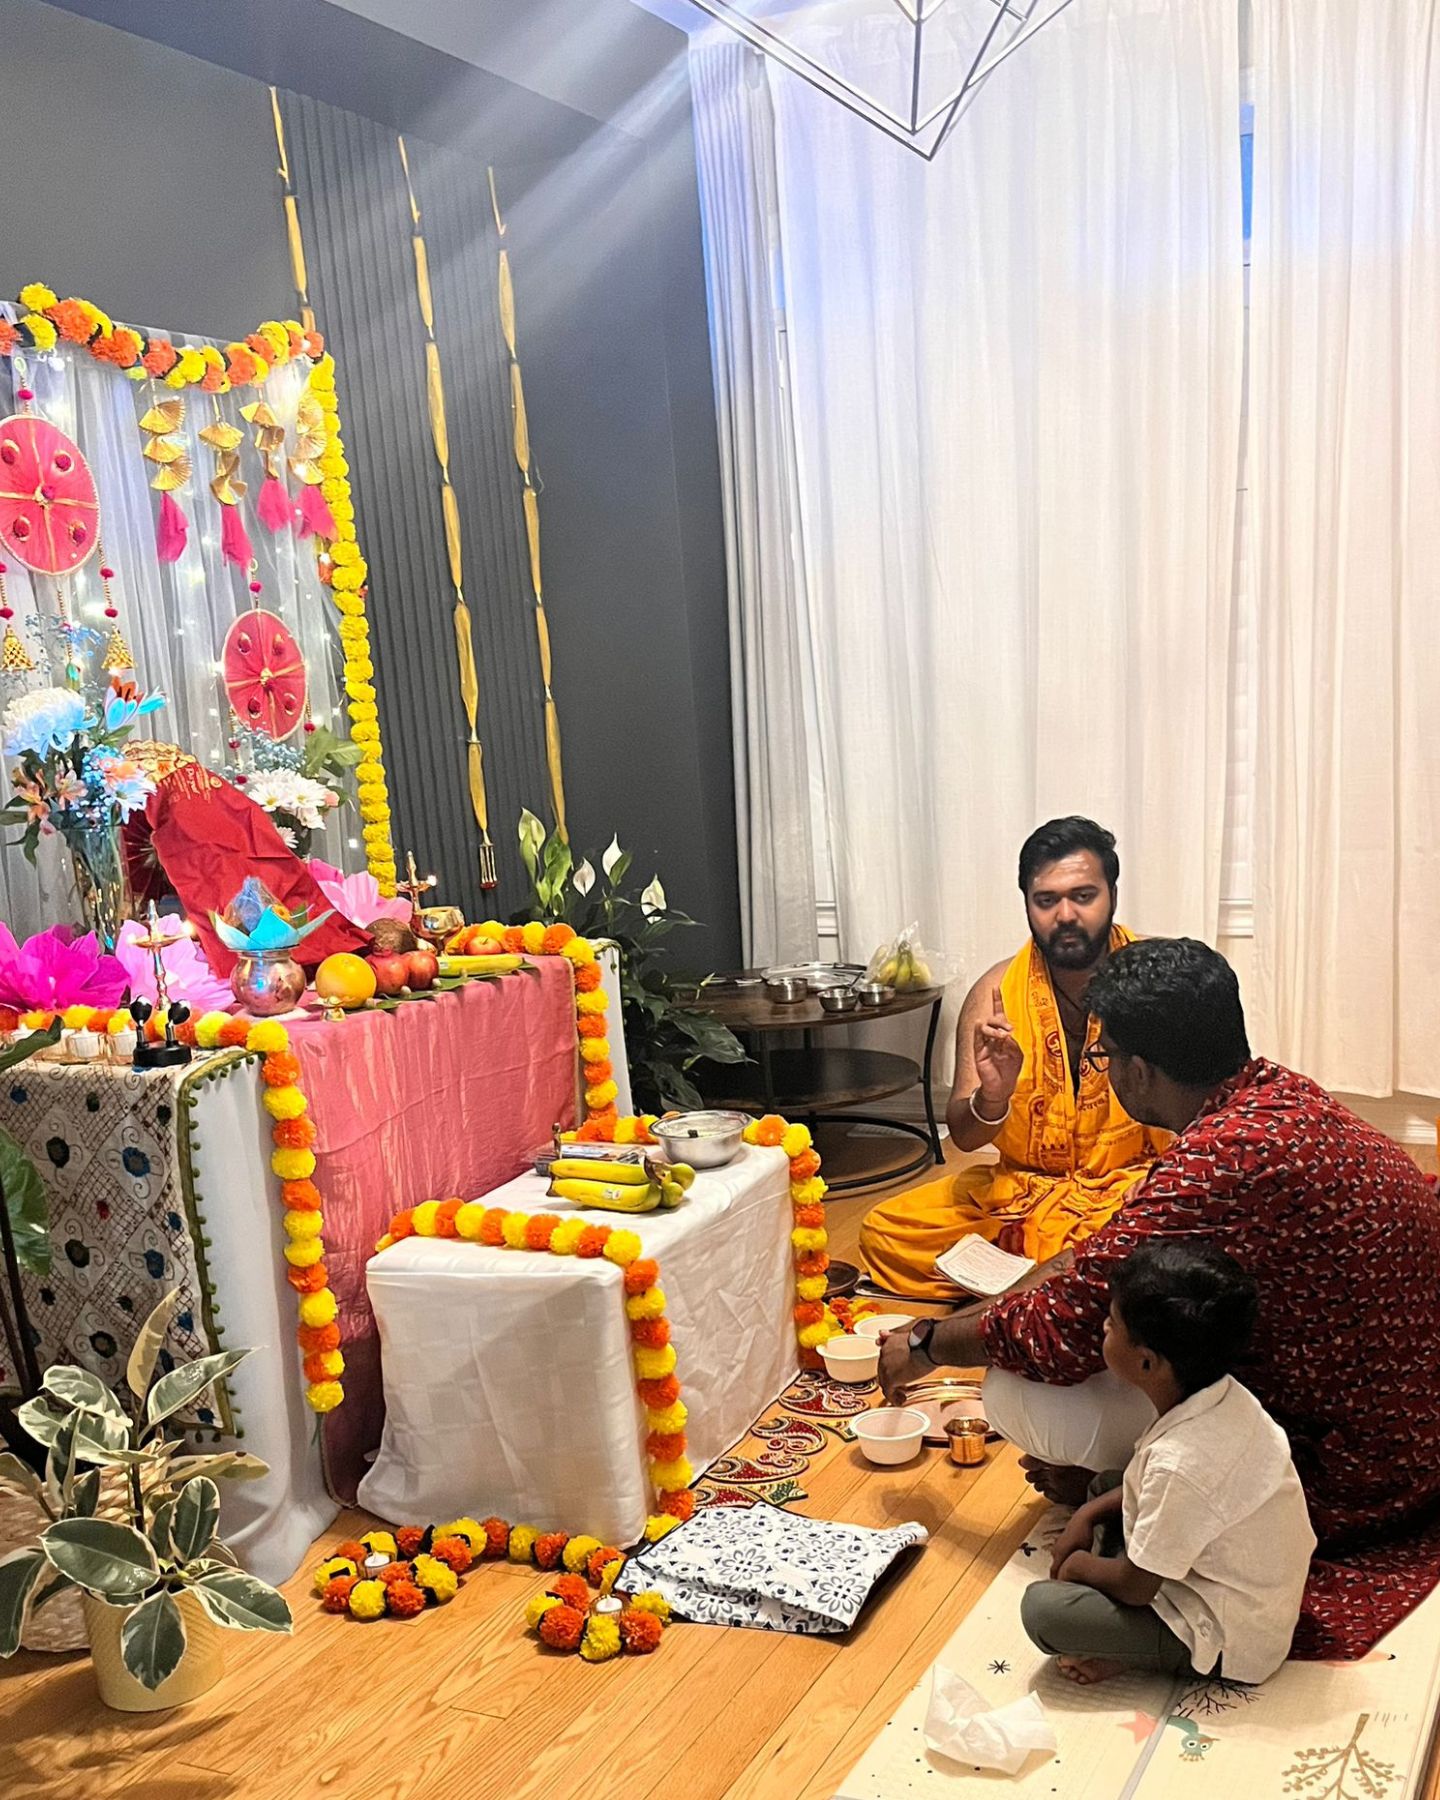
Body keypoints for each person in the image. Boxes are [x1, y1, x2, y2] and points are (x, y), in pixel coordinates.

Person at [879, 937, 1440, 1659]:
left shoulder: (1221, 1160)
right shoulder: (1274, 1095)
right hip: (1414, 1425)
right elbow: (1097, 1256)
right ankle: (1116, 1476)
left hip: (1357, 1472)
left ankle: (1118, 1477)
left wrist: (927, 1344)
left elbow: (1059, 1328)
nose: (1104, 1070)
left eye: (1106, 1056)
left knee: (1018, 1390)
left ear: (1140, 1070)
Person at [860, 818, 1167, 1300]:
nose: (1065, 915)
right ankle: (1059, 1285)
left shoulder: (1160, 981)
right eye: (1046, 900)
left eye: (1083, 896)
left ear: (1112, 893)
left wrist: (1167, 1183)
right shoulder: (995, 993)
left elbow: (1215, 1106)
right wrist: (992, 1096)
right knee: (885, 1231)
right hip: (1021, 1196)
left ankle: (1023, 1287)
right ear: (1027, 902)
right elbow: (964, 1135)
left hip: (1131, 1191)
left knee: (1178, 1235)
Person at [1020, 1240, 1314, 1686]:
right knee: (1104, 1488)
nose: (1103, 1327)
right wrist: (1085, 1512)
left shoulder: (1179, 1465)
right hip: (1221, 1570)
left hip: (1224, 1633)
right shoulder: (1225, 1394)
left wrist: (1077, 1567)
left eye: (1112, 1325)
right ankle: (1115, 1625)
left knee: (1043, 1613)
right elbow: (1152, 1490)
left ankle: (1138, 1653)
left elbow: (1137, 1587)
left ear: (1146, 1362)